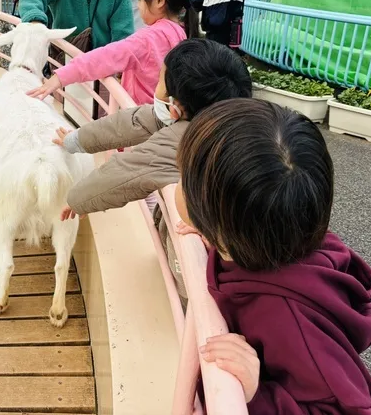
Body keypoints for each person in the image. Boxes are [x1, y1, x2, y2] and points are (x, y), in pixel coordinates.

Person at [175, 98, 371, 414]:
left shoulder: (289, 317)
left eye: (183, 179)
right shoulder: (274, 241)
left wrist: (257, 395)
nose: (176, 184)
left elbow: (354, 408)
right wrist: (214, 237)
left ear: (221, 220)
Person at [50, 40, 252, 304]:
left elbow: (127, 172)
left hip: (218, 253)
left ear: (175, 105)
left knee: (191, 283)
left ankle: (189, 316)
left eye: (160, 80)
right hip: (242, 240)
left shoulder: (182, 141)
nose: (156, 87)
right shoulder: (221, 122)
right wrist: (75, 140)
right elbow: (127, 124)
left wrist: (76, 199)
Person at [27, 0, 198, 105]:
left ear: (159, 1)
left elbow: (105, 57)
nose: (138, 5)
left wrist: (60, 77)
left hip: (136, 121)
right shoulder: (181, 34)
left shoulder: (147, 39)